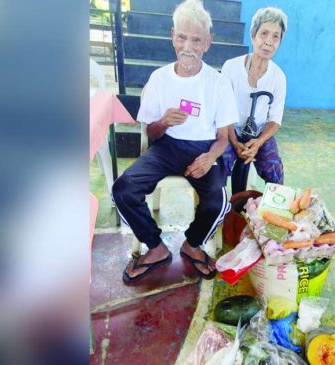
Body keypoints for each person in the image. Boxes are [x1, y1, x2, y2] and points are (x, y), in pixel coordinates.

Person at [112, 0, 238, 284]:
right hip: (166, 145)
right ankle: (155, 248)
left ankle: (191, 245)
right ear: (172, 36)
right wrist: (163, 123)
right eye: (182, 37)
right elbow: (151, 134)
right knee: (123, 189)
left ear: (208, 42)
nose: (188, 46)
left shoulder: (218, 84)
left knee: (219, 201)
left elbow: (222, 139)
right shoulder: (159, 79)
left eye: (196, 39)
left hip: (205, 147)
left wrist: (208, 158)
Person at [221, 7, 288, 194]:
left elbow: (275, 120)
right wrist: (235, 143)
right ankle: (223, 209)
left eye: (276, 36)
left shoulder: (278, 77)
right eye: (264, 33)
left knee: (274, 169)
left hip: (258, 133)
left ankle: (270, 211)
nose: (269, 41)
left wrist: (258, 143)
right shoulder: (231, 67)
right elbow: (222, 110)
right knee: (218, 165)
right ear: (253, 36)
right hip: (229, 130)